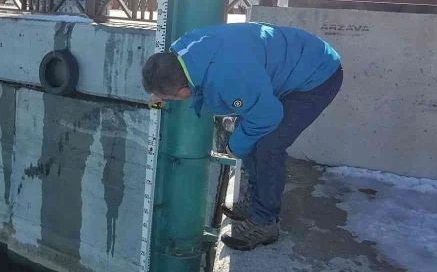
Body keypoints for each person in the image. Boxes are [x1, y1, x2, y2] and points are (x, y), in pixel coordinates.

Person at [141, 22, 342, 251]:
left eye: (166, 97)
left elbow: (267, 116)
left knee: (268, 144)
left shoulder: (229, 77)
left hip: (317, 75)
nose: (161, 100)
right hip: (290, 61)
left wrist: (234, 146)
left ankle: (265, 222)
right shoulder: (183, 52)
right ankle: (257, 201)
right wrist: (157, 102)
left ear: (184, 92)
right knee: (249, 134)